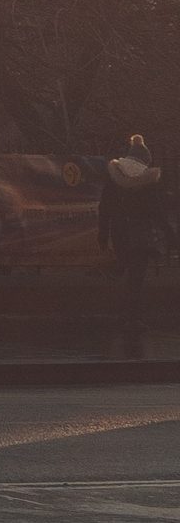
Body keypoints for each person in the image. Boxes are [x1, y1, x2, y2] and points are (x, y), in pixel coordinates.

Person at [99, 134, 167, 359]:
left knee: (125, 269)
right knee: (137, 277)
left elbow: (104, 206)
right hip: (140, 234)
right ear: (145, 161)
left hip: (120, 232)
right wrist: (170, 234)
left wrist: (103, 233)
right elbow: (157, 211)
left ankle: (120, 313)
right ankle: (131, 318)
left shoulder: (113, 176)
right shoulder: (148, 181)